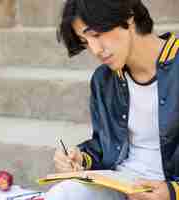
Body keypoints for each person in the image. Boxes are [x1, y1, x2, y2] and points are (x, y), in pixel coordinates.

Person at [45, 0, 179, 200]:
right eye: (85, 42)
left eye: (96, 35)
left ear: (129, 15)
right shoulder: (103, 80)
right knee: (63, 194)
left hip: (166, 191)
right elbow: (105, 145)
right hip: (122, 184)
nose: (95, 50)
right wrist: (80, 157)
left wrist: (172, 192)